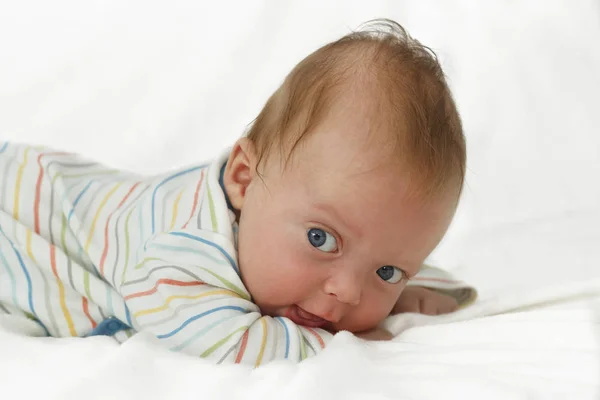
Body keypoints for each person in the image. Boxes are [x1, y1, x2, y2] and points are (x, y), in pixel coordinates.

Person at [0, 19, 475, 366]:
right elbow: (217, 340)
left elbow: (383, 239)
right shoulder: (185, 255)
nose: (348, 292)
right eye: (320, 240)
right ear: (244, 179)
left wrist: (414, 289)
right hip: (21, 208)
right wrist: (346, 346)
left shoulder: (308, 211)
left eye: (387, 271)